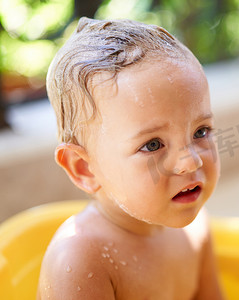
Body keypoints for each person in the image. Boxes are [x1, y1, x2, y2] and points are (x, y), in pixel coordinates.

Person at [38, 17, 223, 300]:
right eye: (152, 145)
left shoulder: (195, 225)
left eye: (201, 131)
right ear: (85, 168)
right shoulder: (79, 260)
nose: (190, 162)